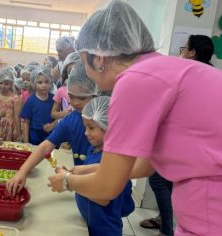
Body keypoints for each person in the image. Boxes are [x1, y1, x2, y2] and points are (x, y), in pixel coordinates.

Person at [48, 1, 222, 236]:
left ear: (99, 58)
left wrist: (68, 180)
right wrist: (85, 170)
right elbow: (146, 164)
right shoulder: (163, 67)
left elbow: (107, 187)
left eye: (82, 61)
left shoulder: (134, 81)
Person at [140, 33, 216, 236]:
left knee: (158, 180)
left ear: (192, 52)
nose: (181, 52)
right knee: (169, 183)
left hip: (186, 145)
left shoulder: (189, 74)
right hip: (197, 148)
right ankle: (166, 220)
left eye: (184, 48)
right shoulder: (211, 73)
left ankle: (166, 228)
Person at [7, 60, 98, 195]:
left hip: (100, 185)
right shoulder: (71, 120)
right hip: (80, 186)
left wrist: (69, 178)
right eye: (72, 97)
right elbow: (45, 146)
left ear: (96, 94)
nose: (76, 103)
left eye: (83, 98)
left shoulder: (106, 120)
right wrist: (22, 171)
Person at [66, 96, 134, 236]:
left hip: (105, 229)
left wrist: (69, 181)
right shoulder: (93, 149)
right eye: (85, 127)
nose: (86, 133)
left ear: (109, 127)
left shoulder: (112, 159)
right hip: (89, 223)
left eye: (91, 128)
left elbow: (102, 197)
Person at [20, 66, 56, 145]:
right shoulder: (31, 100)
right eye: (40, 82)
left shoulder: (54, 99)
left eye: (46, 82)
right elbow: (26, 122)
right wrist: (26, 142)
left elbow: (60, 118)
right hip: (33, 136)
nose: (44, 85)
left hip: (50, 135)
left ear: (51, 83)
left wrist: (52, 125)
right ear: (34, 84)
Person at [0, 67, 21, 141]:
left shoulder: (15, 98)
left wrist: (17, 130)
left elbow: (16, 116)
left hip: (10, 127)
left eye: (6, 84)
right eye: (0, 83)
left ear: (11, 84)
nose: (3, 86)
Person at [51, 52, 80, 120]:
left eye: (76, 71)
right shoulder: (61, 91)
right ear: (66, 73)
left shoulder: (88, 91)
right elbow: (53, 114)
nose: (73, 75)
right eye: (70, 72)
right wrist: (64, 113)